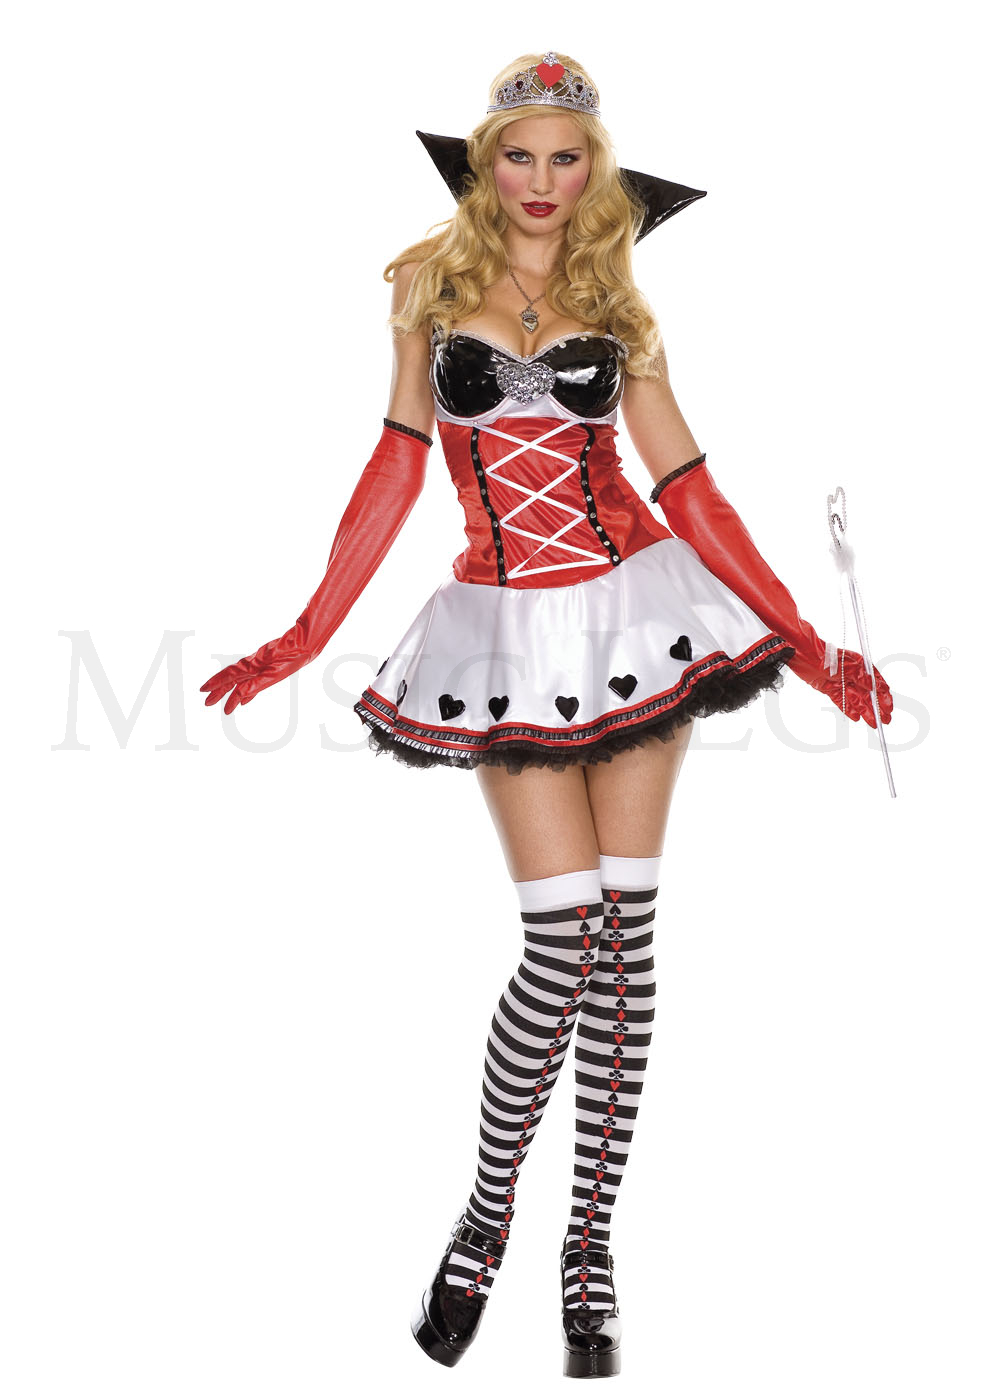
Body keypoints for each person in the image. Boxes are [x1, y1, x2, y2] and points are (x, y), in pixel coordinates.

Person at [201, 50, 893, 1380]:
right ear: (484, 161)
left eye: (565, 159)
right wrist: (306, 633)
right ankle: (485, 1217)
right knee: (562, 941)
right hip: (505, 631)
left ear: (596, 174)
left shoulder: (619, 303)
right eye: (517, 155)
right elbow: (396, 467)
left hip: (636, 615)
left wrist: (808, 646)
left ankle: (591, 1245)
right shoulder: (427, 286)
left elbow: (688, 487)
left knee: (624, 949)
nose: (539, 181)